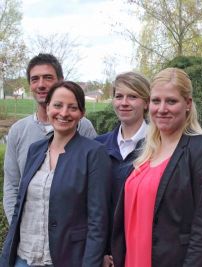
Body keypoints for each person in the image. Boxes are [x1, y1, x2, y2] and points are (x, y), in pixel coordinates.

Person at [111, 68, 202, 267]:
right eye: (156, 101)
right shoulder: (144, 149)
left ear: (188, 104)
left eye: (171, 101)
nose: (162, 109)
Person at [0, 81, 111, 267]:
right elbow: (21, 204)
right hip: (24, 256)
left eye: (72, 107)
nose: (64, 113)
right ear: (48, 107)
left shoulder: (93, 153)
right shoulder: (35, 150)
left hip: (66, 258)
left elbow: (97, 221)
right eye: (58, 105)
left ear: (82, 113)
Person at [3, 53, 97, 223]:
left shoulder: (83, 127)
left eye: (47, 77)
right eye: (35, 79)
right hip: (29, 236)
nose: (41, 85)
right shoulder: (18, 131)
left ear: (61, 81)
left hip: (70, 236)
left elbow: (95, 189)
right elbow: (12, 186)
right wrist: (15, 229)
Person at [95, 71, 150, 267]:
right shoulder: (97, 147)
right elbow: (94, 207)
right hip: (108, 255)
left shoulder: (159, 147)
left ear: (146, 102)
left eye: (132, 96)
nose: (124, 102)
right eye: (119, 96)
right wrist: (100, 251)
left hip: (145, 251)